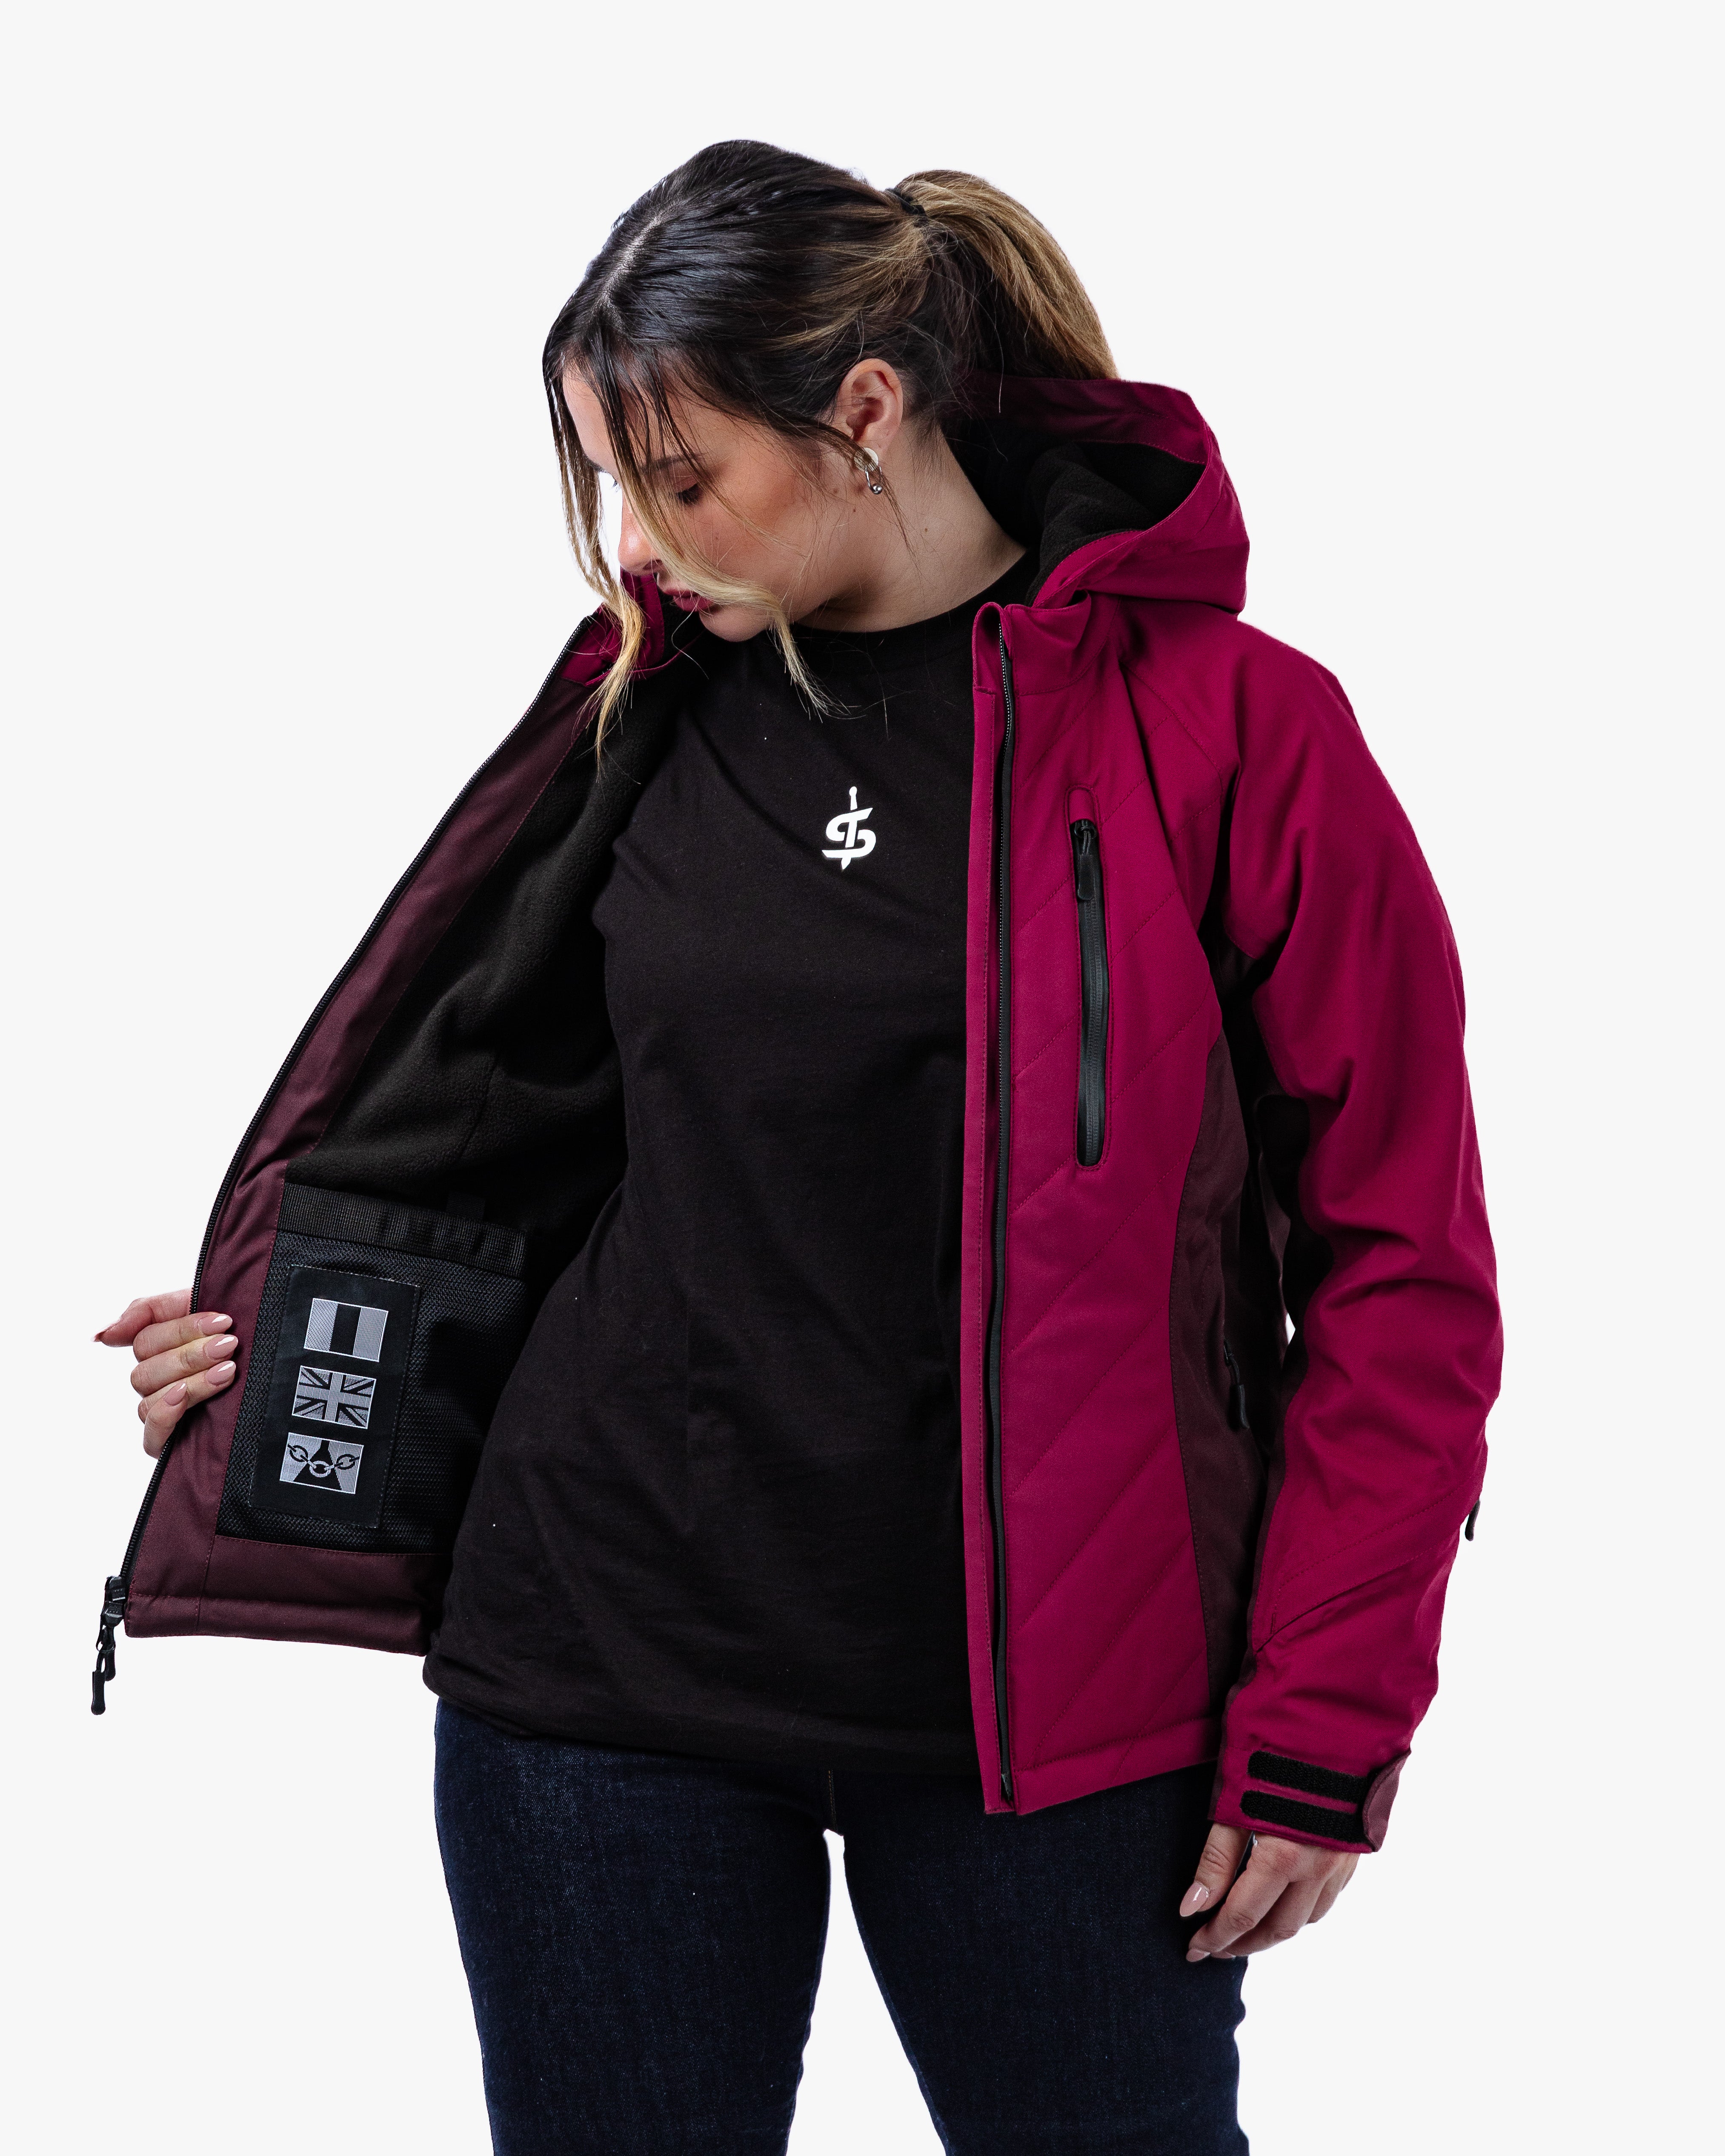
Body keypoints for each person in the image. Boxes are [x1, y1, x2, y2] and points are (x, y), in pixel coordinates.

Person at [94, 141, 1502, 2154]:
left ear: (865, 408)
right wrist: (282, 1332)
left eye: (681, 479)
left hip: (1059, 1729)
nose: (637, 544)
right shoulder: (637, 702)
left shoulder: (1235, 732)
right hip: (598, 1676)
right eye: (608, 485)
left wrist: (1325, 1722)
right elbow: (504, 1134)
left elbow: (1403, 1266)